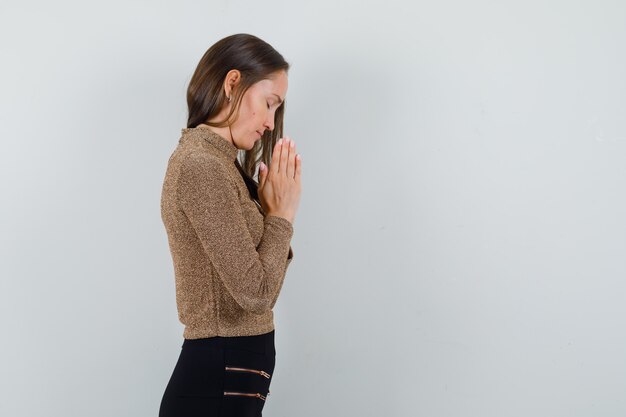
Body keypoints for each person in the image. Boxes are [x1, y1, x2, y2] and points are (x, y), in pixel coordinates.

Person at [158, 33, 302, 417]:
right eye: (269, 104)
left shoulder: (222, 165)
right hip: (215, 385)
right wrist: (281, 219)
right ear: (232, 82)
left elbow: (260, 286)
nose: (271, 124)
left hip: (225, 382)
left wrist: (277, 219)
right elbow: (256, 294)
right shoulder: (201, 166)